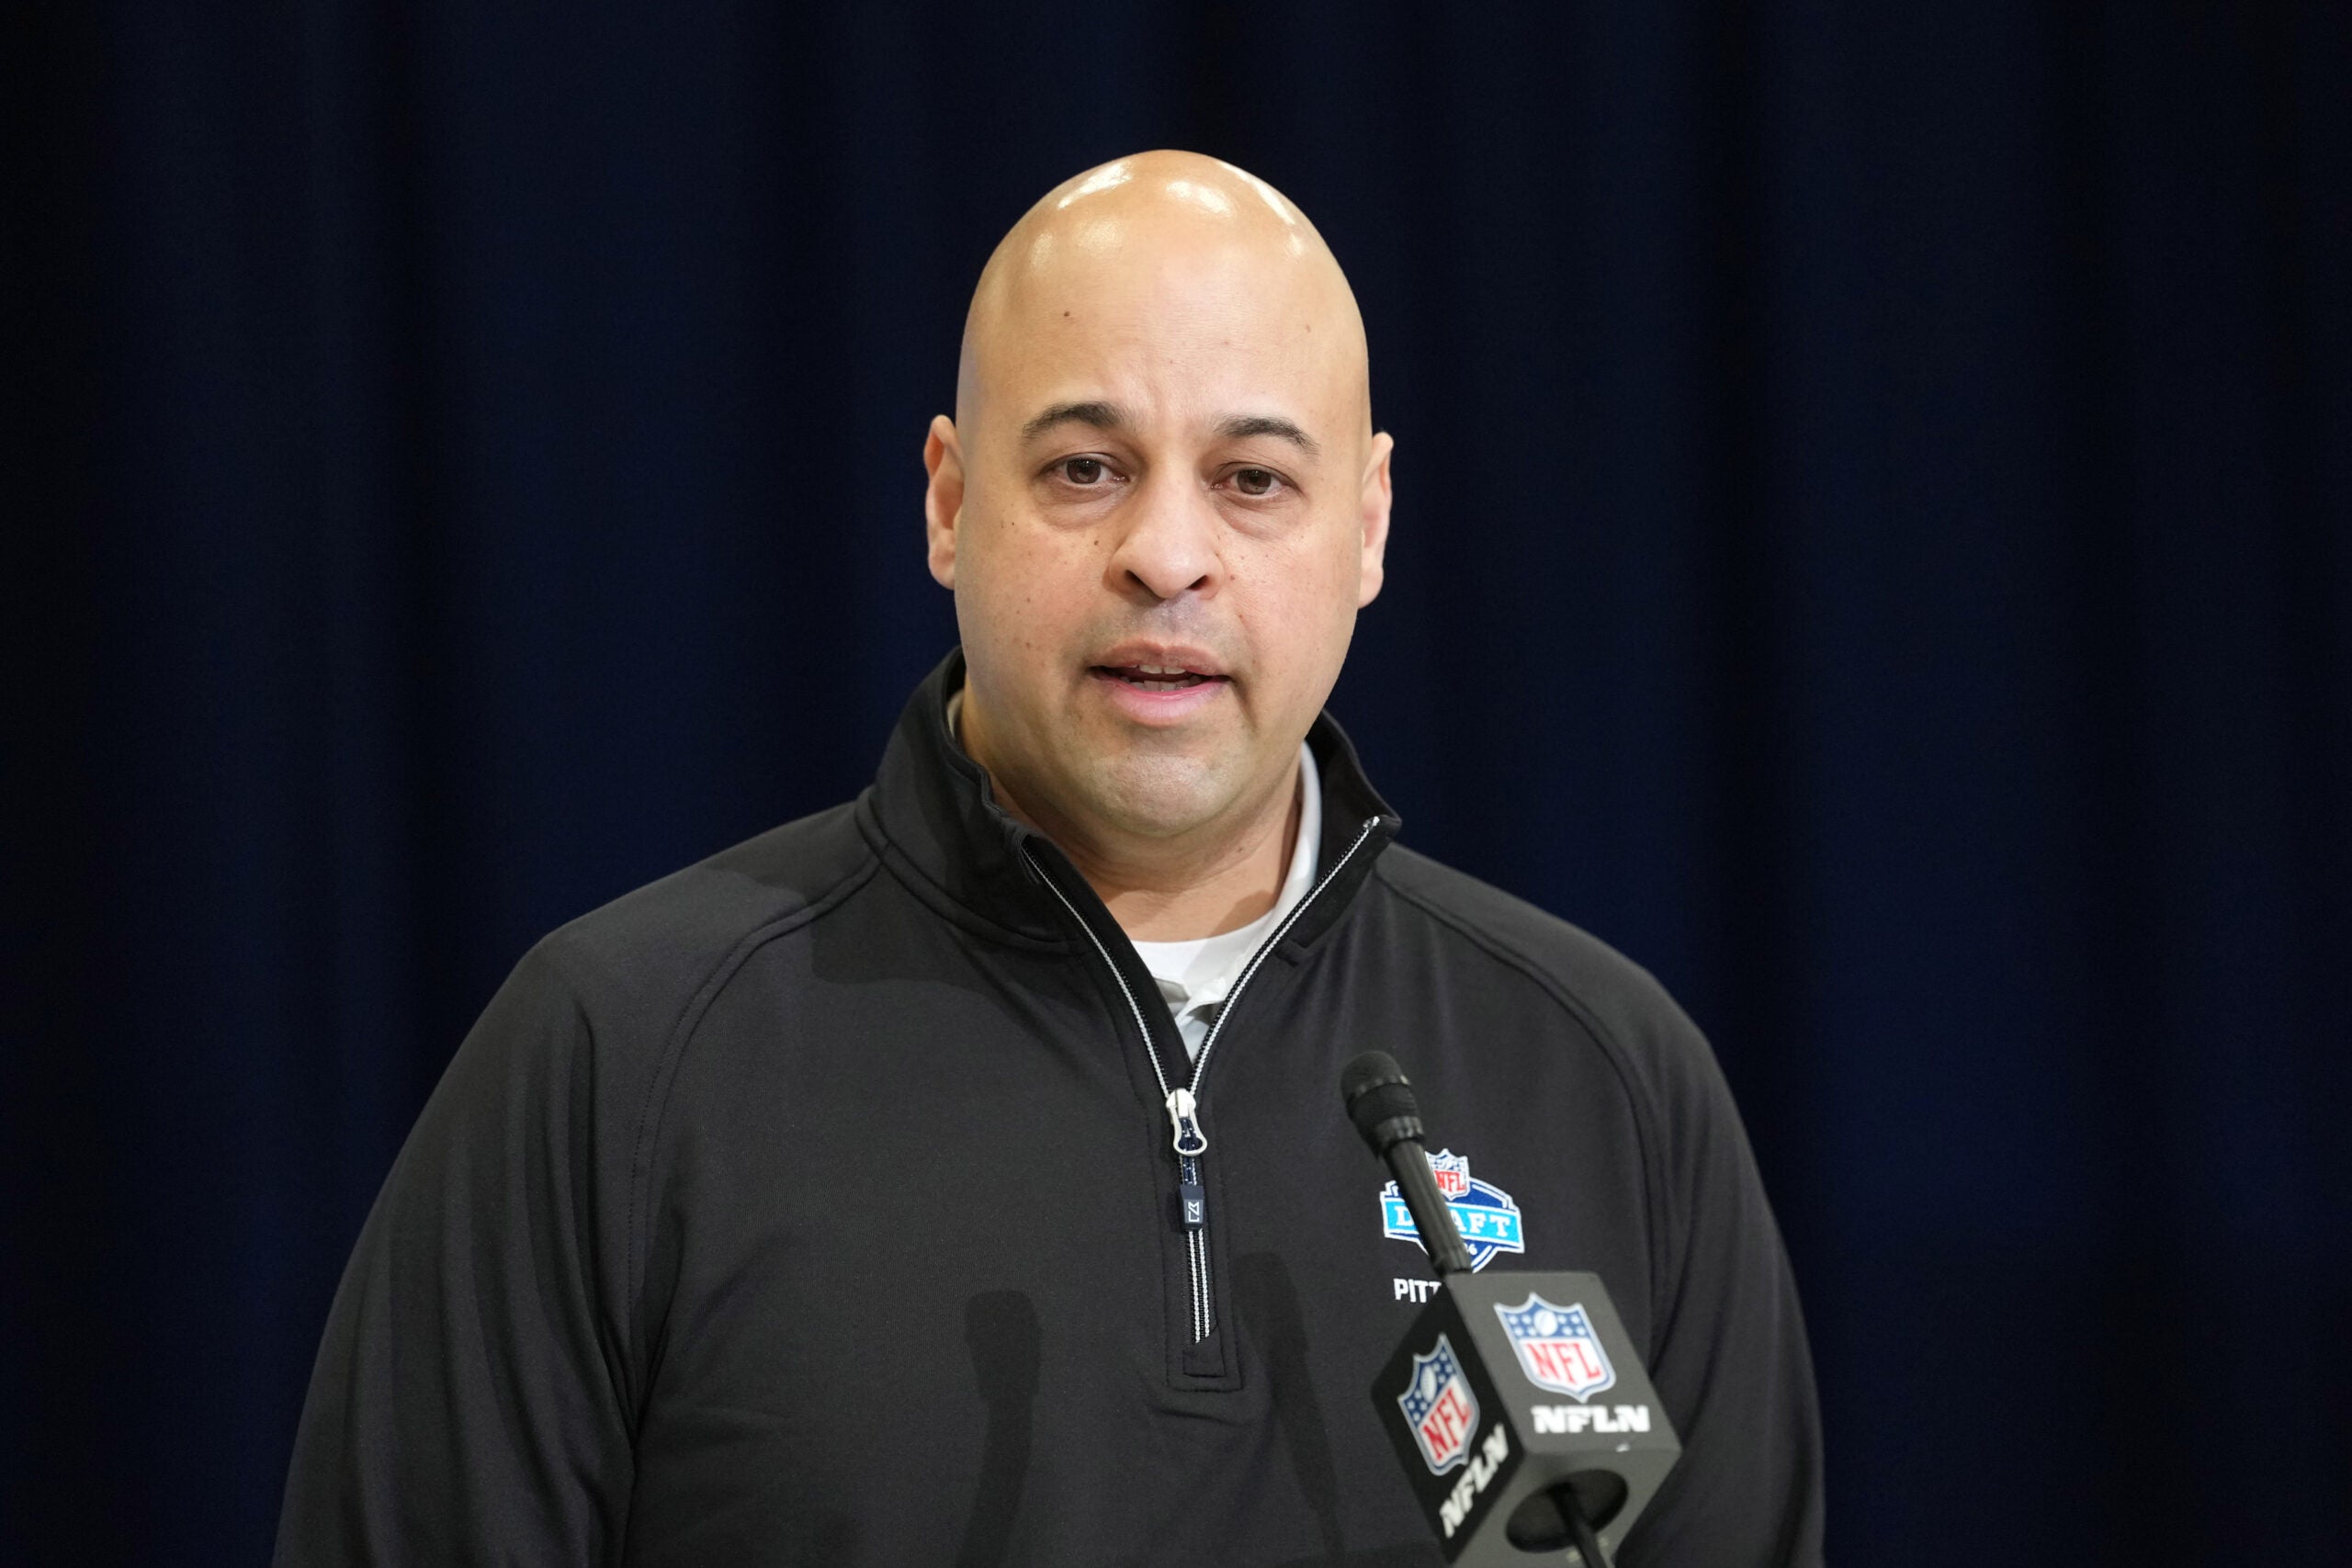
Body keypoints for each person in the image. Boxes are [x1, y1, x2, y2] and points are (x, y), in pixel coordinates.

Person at [277, 151, 1824, 1566]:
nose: (1166, 552)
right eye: (1086, 467)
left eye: (1252, 479)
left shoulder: (1607, 1082)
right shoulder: (618, 1062)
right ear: (949, 501)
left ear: (1369, 526)